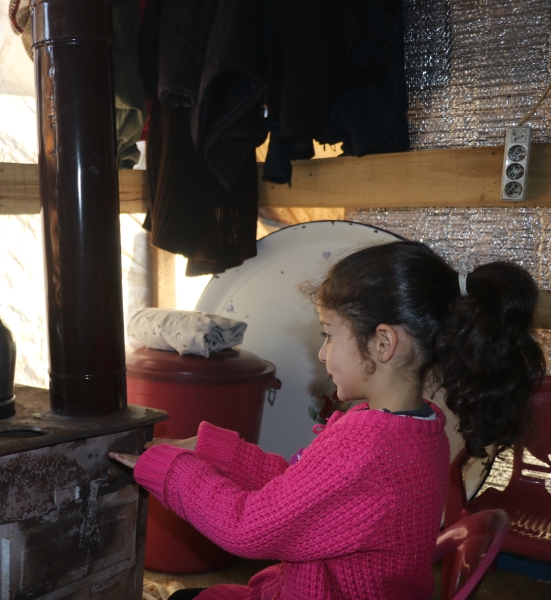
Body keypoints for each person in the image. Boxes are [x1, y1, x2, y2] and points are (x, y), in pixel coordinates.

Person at [111, 240, 545, 600]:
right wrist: (215, 452)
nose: (322, 353)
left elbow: (247, 528)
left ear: (383, 343)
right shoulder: (419, 425)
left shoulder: (368, 446)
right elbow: (299, 492)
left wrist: (171, 469)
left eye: (328, 333)